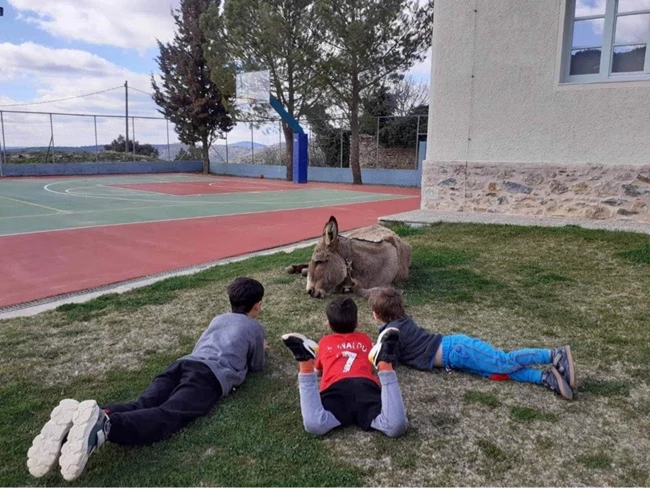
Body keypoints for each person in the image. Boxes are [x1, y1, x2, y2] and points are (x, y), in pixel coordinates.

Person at [27, 277, 267, 482]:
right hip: (208, 377)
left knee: (143, 403)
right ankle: (106, 426)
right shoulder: (255, 328)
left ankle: (84, 416)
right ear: (256, 306)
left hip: (183, 364)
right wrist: (263, 348)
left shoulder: (218, 319)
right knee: (168, 415)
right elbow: (257, 366)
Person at [365, 287, 576, 400]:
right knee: (496, 373)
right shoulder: (401, 321)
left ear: (377, 315)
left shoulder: (392, 332)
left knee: (502, 361)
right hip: (455, 356)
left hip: (456, 349)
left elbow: (388, 358)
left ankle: (554, 355)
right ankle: (545, 378)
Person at [281, 296, 408, 437]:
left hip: (335, 388)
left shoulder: (324, 342)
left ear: (329, 324)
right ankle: (384, 365)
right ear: (357, 322)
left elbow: (319, 371)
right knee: (395, 427)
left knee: (315, 426)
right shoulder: (365, 339)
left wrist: (315, 369)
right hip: (365, 386)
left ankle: (305, 365)